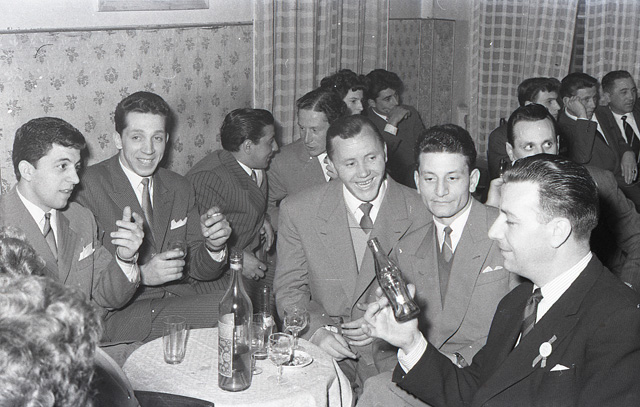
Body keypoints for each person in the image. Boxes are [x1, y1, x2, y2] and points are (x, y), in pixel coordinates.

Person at [362, 154, 640, 406]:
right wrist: (411, 342)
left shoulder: (619, 318)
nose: (494, 231)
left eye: (510, 220)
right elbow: (475, 391)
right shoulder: (517, 302)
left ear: (558, 231)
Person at [357, 124, 520, 407]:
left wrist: (457, 362)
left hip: (486, 380)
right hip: (423, 378)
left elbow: (524, 327)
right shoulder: (405, 245)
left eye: (452, 178)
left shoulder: (506, 232)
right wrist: (415, 369)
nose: (440, 191)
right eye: (430, 178)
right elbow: (384, 345)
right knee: (377, 391)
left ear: (472, 180)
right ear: (417, 181)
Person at [274, 115, 429, 391]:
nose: (363, 173)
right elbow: (289, 289)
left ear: (385, 152)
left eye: (371, 158)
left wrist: (386, 320)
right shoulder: (298, 210)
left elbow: (431, 293)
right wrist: (316, 332)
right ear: (331, 165)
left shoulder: (421, 209)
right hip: (329, 351)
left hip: (394, 355)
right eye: (349, 163)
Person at [74, 91, 232, 344]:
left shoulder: (179, 186)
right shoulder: (86, 188)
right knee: (228, 309)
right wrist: (142, 275)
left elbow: (199, 270)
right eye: (137, 137)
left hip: (176, 301)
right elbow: (85, 282)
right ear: (118, 139)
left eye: (157, 138)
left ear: (166, 139)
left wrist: (214, 246)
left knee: (238, 301)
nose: (148, 150)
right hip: (122, 314)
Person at [489, 104, 640, 289]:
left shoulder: (598, 182)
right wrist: (490, 212)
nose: (541, 155)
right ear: (510, 151)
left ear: (558, 144)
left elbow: (637, 238)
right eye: (529, 146)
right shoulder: (500, 196)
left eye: (548, 144)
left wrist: (627, 285)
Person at [0, 117, 143, 313]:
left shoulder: (81, 217)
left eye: (76, 168)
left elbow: (109, 298)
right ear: (27, 171)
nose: (75, 179)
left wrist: (125, 257)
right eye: (62, 166)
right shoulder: (4, 223)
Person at [187, 108, 278, 299]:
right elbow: (198, 242)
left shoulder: (254, 166)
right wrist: (238, 258)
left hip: (245, 262)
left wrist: (262, 219)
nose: (276, 147)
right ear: (248, 146)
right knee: (245, 310)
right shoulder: (208, 179)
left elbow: (246, 204)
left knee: (293, 283)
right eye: (270, 142)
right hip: (213, 276)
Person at [267, 88, 349, 227]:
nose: (306, 139)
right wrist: (301, 226)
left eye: (314, 130)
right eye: (302, 128)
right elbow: (264, 209)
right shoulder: (283, 160)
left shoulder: (359, 153)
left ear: (336, 125)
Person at [558, 72, 640, 209]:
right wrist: (582, 117)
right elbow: (581, 156)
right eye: (586, 100)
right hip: (602, 195)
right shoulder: (561, 128)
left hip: (626, 184)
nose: (592, 104)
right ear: (568, 102)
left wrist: (627, 152)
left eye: (594, 97)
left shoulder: (602, 113)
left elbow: (619, 138)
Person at [487, 77, 561, 180]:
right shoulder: (499, 136)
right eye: (549, 101)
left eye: (548, 144)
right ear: (529, 105)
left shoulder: (555, 130)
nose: (558, 107)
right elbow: (505, 178)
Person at [364, 69, 426, 188]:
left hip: (416, 177)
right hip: (388, 183)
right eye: (388, 99)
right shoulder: (365, 123)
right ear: (372, 103)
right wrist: (392, 123)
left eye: (396, 95)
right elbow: (380, 155)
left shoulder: (410, 112)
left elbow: (423, 147)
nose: (396, 102)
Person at [599, 70, 640, 167]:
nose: (631, 97)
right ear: (608, 97)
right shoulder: (600, 119)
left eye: (633, 91)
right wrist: (626, 151)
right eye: (624, 92)